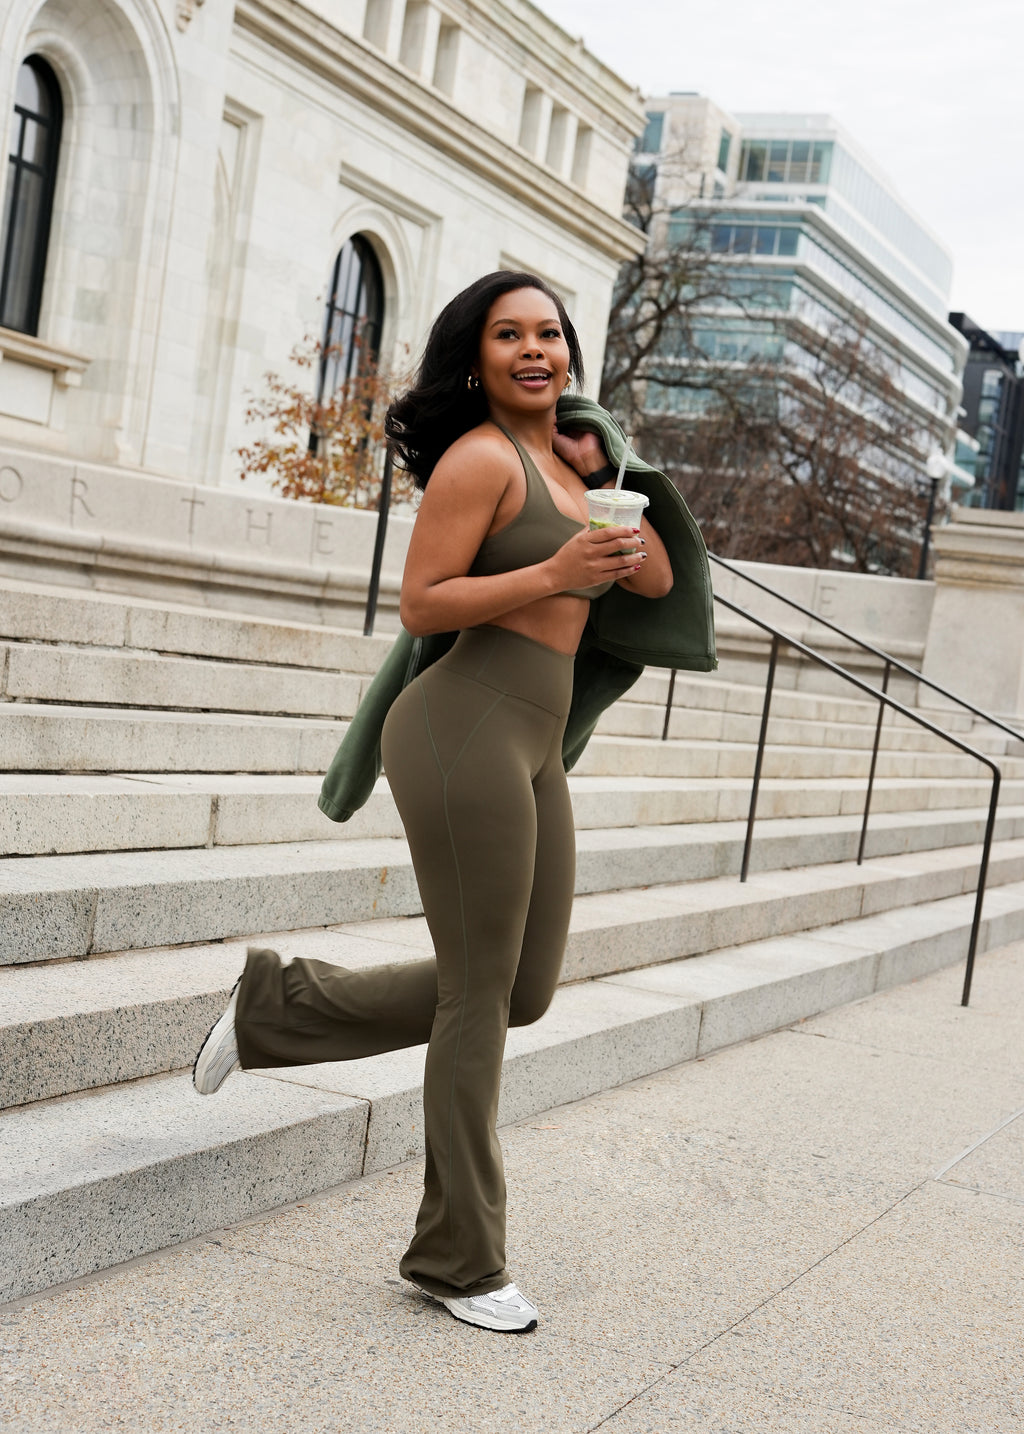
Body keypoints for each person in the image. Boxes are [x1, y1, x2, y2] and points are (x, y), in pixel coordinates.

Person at [193, 271, 674, 1334]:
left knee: (522, 989)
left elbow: (655, 587)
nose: (534, 349)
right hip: (461, 728)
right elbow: (422, 603)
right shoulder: (479, 460)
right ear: (475, 360)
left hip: (534, 739)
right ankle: (459, 1258)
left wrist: (608, 483)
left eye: (549, 333)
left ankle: (277, 1007)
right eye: (509, 335)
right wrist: (555, 570)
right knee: (477, 994)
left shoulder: (571, 465)